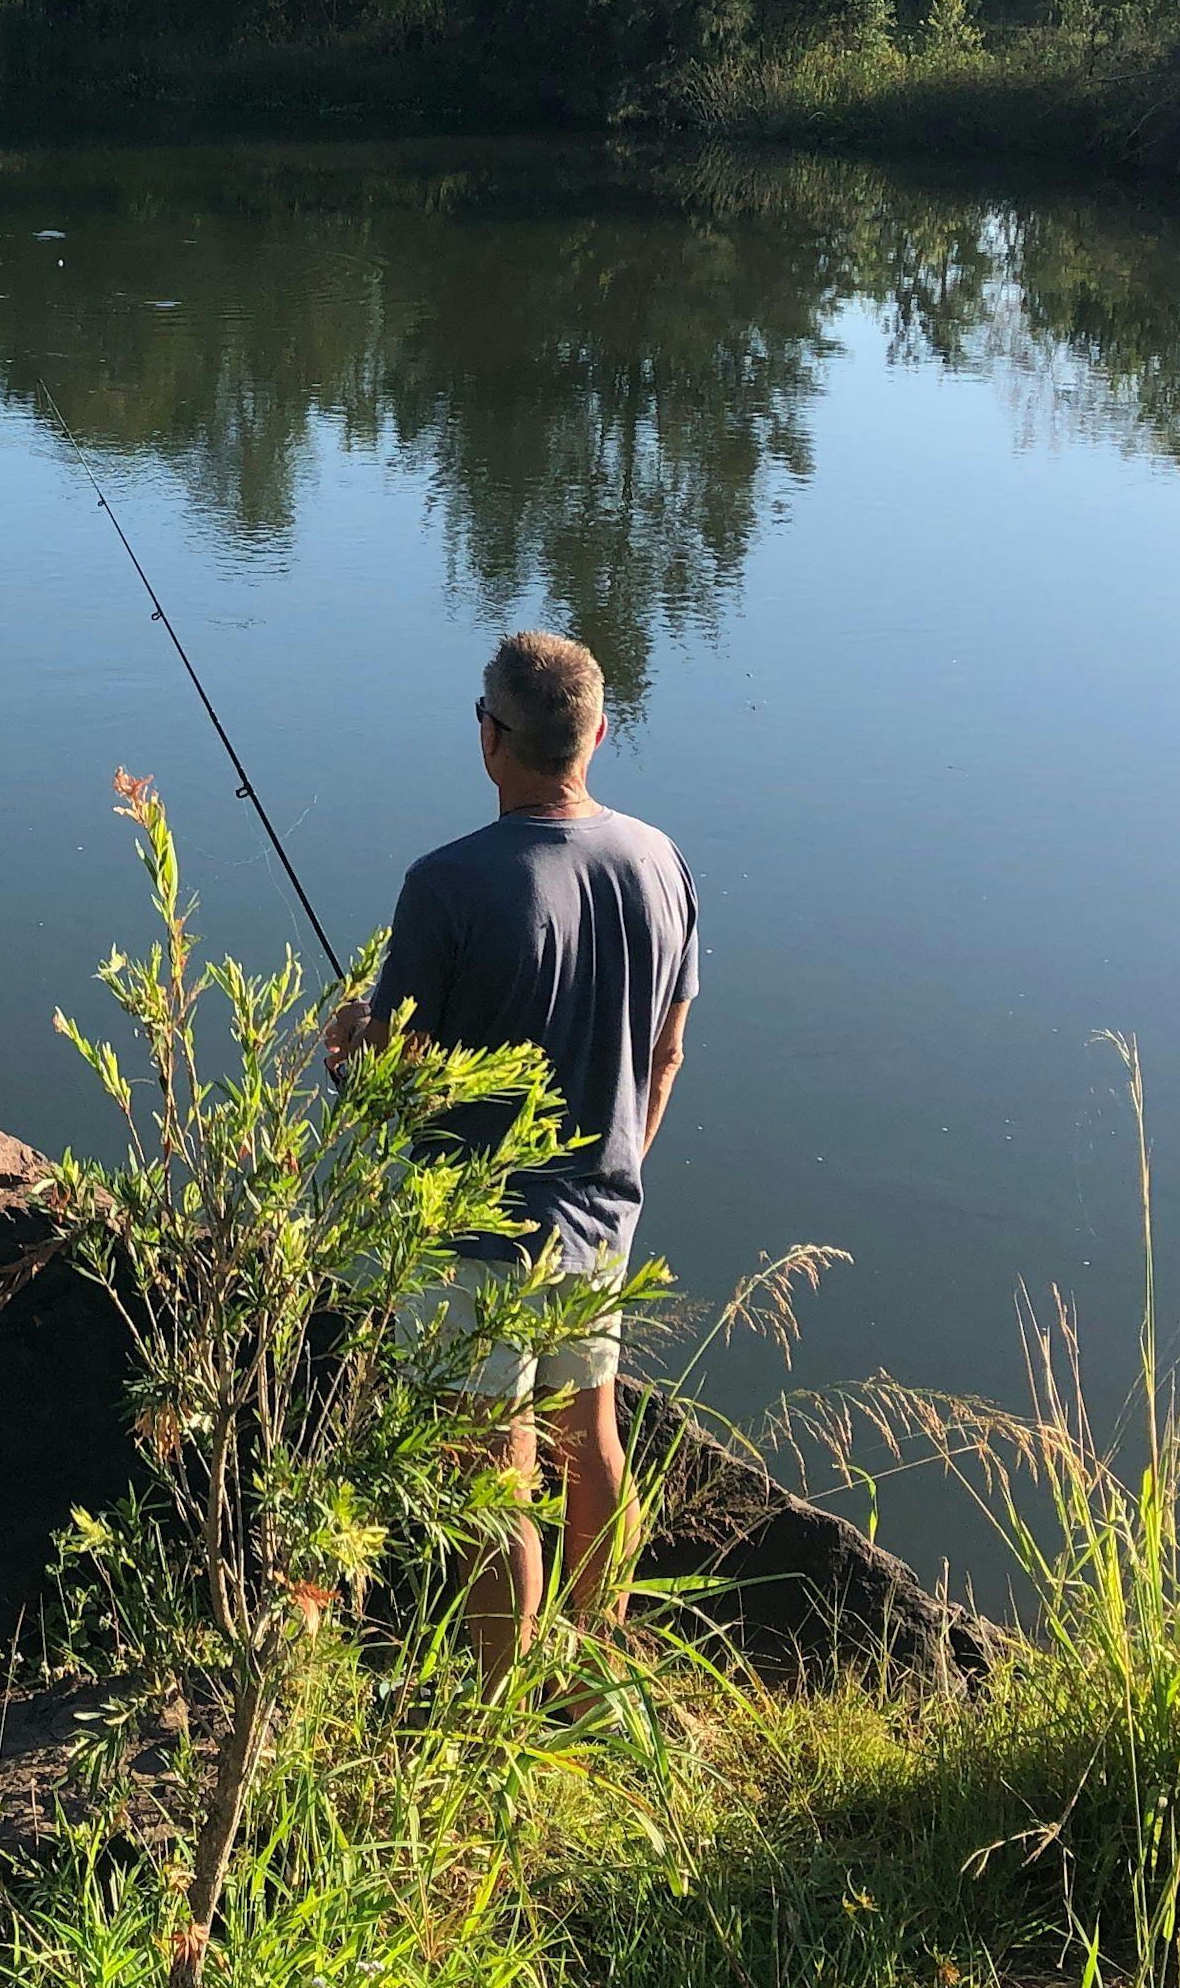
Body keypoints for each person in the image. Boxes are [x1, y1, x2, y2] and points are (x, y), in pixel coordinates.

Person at [328, 631, 696, 1683]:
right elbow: (666, 1053)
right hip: (603, 1214)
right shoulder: (661, 862)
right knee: (594, 1437)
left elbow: (395, 1083)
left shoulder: (447, 884)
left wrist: (347, 1054)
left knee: (499, 1469)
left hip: (478, 1233)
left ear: (491, 738)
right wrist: (615, 1177)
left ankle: (501, 1709)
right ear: (597, 735)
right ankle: (594, 1673)